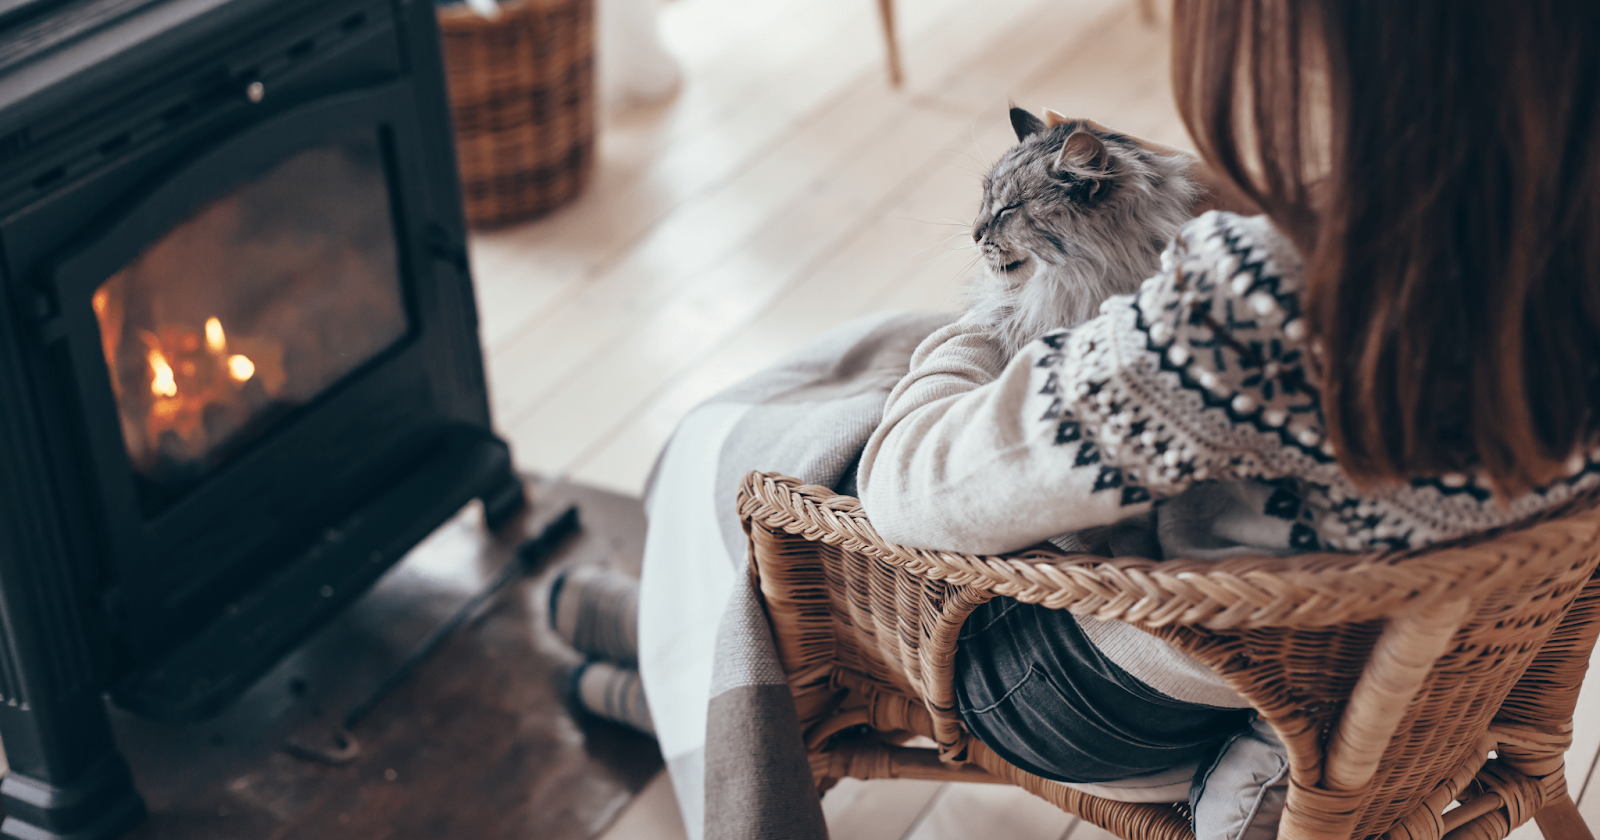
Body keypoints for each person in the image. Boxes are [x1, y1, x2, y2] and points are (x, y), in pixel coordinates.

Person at [855, 0, 1600, 786]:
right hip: (1449, 677)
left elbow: (906, 489)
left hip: (1141, 697)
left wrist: (993, 307)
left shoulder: (1256, 299)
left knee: (803, 432)